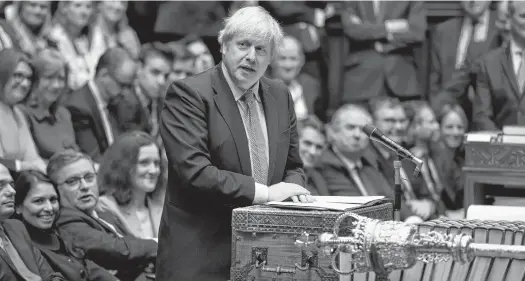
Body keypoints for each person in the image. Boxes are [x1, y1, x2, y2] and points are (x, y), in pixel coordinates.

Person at [157, 6, 312, 281]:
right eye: (243, 45)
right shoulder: (189, 94)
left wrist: (295, 191)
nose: (251, 57)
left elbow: (293, 165)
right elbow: (194, 172)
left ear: (271, 58)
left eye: (261, 49)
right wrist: (266, 194)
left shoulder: (279, 95)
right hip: (202, 254)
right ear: (224, 46)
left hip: (267, 253)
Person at [13, 170, 117, 281]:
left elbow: (93, 269)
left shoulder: (60, 234)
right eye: (39, 201)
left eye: (53, 200)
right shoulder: (23, 248)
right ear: (18, 206)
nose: (49, 208)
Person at [0, 163, 66, 281]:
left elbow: (49, 275)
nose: (12, 191)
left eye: (11, 184)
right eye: (0, 186)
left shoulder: (16, 227)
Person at [97, 131, 165, 239]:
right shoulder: (106, 207)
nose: (153, 170)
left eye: (156, 163)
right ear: (123, 166)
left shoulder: (163, 207)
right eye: (144, 163)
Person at [473, 0, 525, 130]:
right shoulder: (488, 63)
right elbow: (482, 116)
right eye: (524, 16)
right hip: (501, 146)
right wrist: (503, 145)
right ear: (509, 18)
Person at [21, 49, 79, 160]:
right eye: (49, 77)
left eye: (61, 79)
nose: (56, 85)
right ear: (35, 79)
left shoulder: (64, 114)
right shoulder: (23, 114)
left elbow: (76, 154)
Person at [0, 48, 47, 174]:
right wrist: (28, 166)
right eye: (18, 75)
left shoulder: (19, 114)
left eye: (29, 78)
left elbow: (33, 158)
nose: (25, 84)